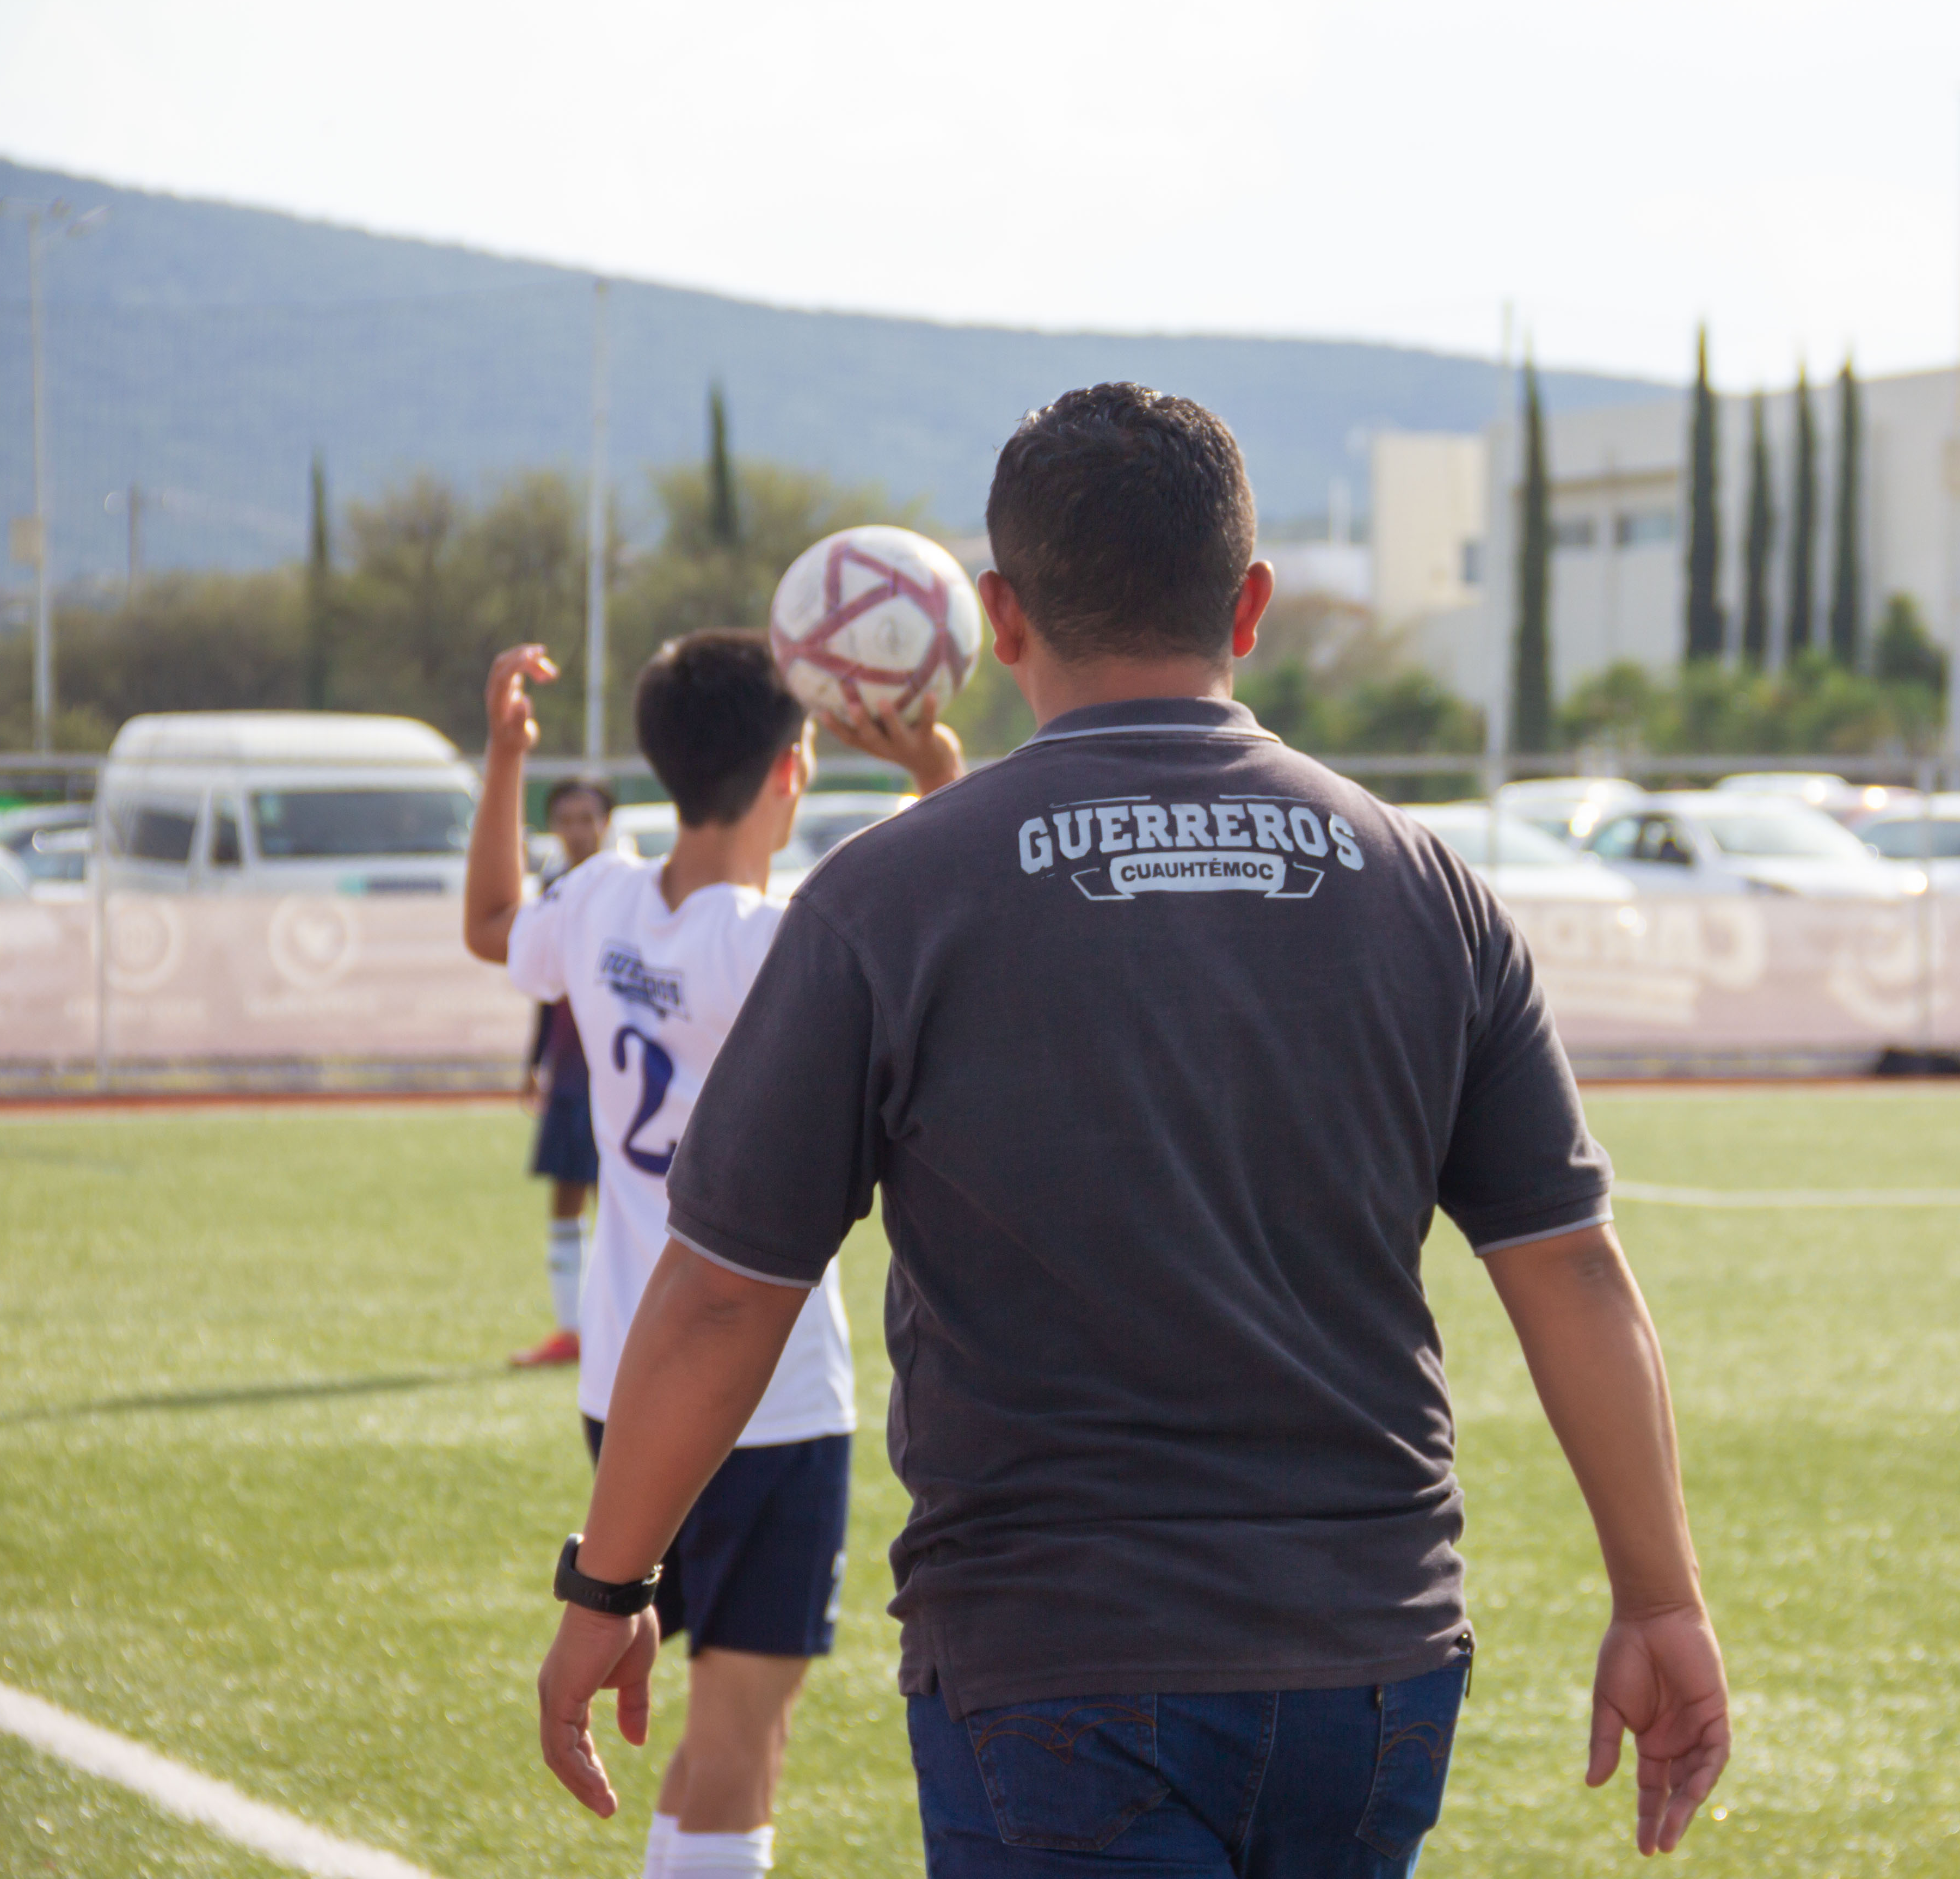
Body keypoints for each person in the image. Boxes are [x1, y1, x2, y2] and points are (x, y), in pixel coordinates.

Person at [531, 383, 1730, 1875]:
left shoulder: (891, 896)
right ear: (1252, 605)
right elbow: (1572, 1273)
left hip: (1057, 1659)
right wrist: (1663, 1601)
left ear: (1002, 618)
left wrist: (610, 1581)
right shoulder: (1426, 884)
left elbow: (721, 1296)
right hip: (1375, 1656)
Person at [466, 630, 962, 1879]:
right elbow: (953, 913)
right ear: (792, 768)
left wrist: (506, 761)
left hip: (624, 1399)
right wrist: (938, 774)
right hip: (771, 1390)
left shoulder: (597, 899)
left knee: (704, 1727)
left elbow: (488, 923)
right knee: (741, 1728)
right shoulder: (785, 940)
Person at [513, 776, 616, 1370]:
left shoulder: (630, 890)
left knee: (620, 1202)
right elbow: (545, 991)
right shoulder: (552, 890)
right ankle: (571, 1331)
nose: (578, 829)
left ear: (607, 823)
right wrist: (535, 1063)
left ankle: (619, 1329)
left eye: (588, 818)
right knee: (565, 1197)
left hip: (617, 1075)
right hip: (572, 1074)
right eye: (567, 818)